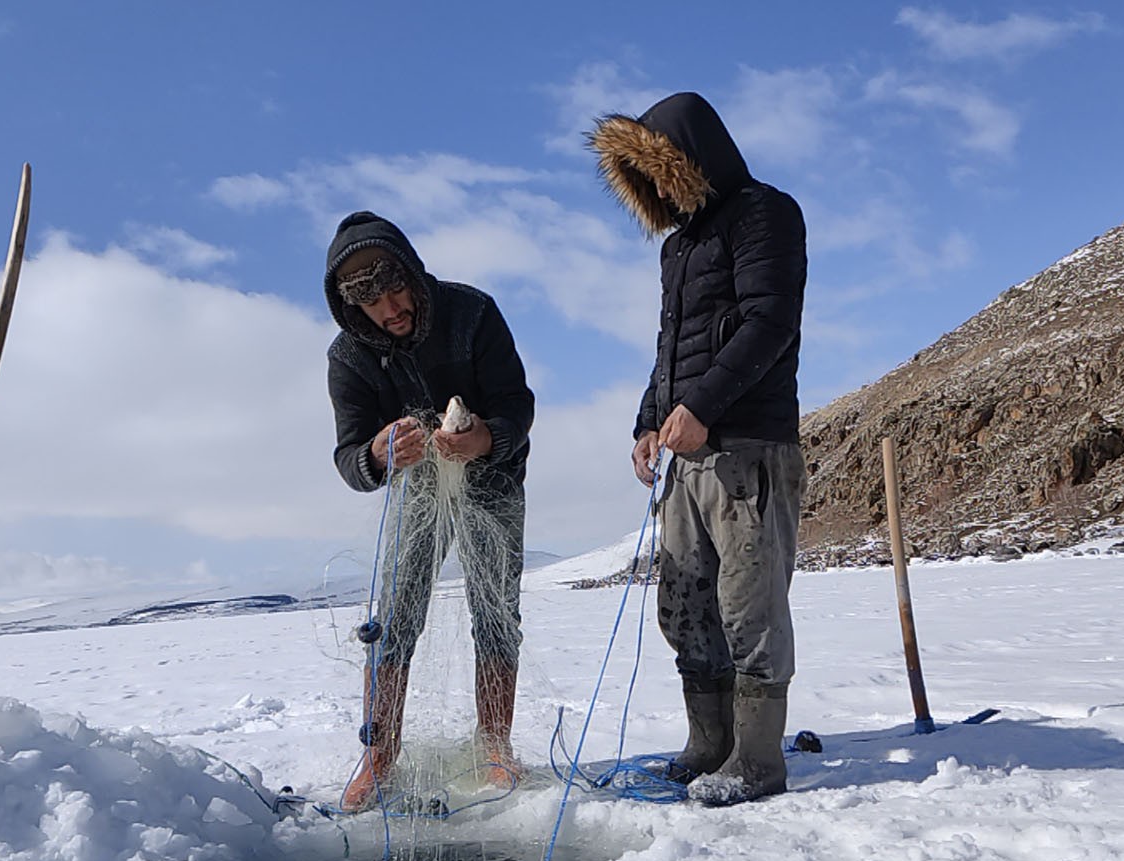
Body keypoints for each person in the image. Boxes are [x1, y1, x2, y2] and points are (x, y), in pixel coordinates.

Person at [587, 91, 808, 805]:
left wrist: (703, 409)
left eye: (658, 172)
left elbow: (768, 321)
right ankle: (708, 743)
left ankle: (756, 762)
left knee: (751, 611)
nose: (654, 192)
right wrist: (649, 421)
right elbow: (669, 348)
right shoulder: (679, 247)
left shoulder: (766, 213)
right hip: (687, 458)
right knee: (685, 607)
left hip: (747, 450)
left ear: (685, 160)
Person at [323, 211, 536, 812]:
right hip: (416, 490)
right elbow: (348, 455)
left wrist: (485, 440)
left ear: (413, 275)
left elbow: (517, 403)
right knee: (394, 614)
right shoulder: (348, 357)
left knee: (496, 610)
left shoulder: (473, 313)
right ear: (351, 309)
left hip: (491, 479)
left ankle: (494, 744)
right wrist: (377, 453)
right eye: (372, 304)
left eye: (396, 290)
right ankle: (379, 756)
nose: (390, 309)